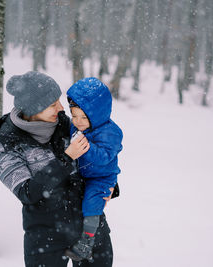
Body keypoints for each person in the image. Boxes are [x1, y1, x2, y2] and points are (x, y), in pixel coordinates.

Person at [0, 71, 117, 267]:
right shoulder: (7, 143)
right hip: (46, 238)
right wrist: (66, 158)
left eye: (58, 100)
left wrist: (110, 187)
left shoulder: (64, 123)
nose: (60, 108)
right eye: (52, 104)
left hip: (90, 230)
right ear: (33, 110)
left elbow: (101, 155)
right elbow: (27, 192)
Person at [64, 77, 123, 261]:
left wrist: (86, 146)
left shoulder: (111, 132)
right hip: (84, 175)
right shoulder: (77, 126)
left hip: (101, 177)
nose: (77, 122)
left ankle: (87, 241)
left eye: (83, 117)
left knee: (91, 204)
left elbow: (105, 157)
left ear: (96, 114)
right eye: (74, 116)